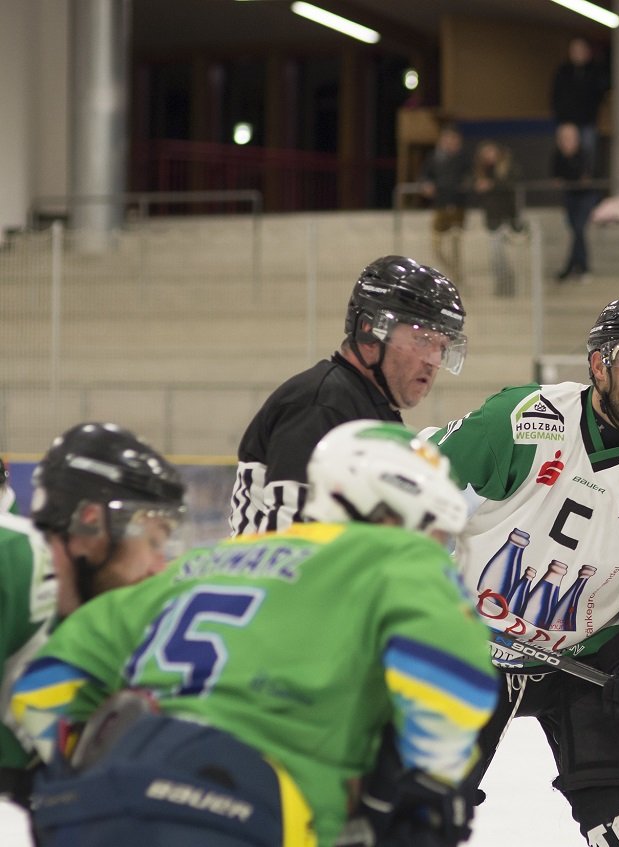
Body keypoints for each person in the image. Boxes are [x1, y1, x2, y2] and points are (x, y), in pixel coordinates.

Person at [11, 420, 499, 847]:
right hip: (241, 804)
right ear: (397, 512)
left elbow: (46, 681)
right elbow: (450, 667)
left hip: (90, 805)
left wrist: (82, 770)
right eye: (436, 531)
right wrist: (432, 788)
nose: (438, 546)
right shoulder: (395, 555)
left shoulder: (201, 564)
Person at [426, 299, 619, 847]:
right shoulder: (523, 420)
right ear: (599, 364)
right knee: (411, 814)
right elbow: (419, 483)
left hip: (583, 660)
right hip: (466, 648)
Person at [0, 422, 186, 808]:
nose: (157, 565)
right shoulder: (16, 557)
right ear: (90, 524)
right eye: (151, 540)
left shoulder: (111, 619)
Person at [229, 255, 466, 536]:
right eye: (422, 340)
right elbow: (290, 543)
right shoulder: (321, 403)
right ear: (369, 329)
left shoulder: (372, 412)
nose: (434, 360)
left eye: (442, 346)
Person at [551, 36, 610, 177]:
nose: (577, 53)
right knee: (565, 155)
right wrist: (562, 119)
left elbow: (599, 95)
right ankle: (567, 186)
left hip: (587, 121)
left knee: (589, 154)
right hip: (566, 120)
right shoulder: (563, 71)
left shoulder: (595, 71)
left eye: (581, 49)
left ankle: (588, 183)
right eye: (574, 50)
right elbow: (555, 96)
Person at [471, 139, 523, 297]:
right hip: (491, 218)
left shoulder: (507, 168)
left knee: (502, 255)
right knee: (496, 257)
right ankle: (502, 286)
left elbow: (511, 185)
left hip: (506, 218)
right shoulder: (481, 171)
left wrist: (492, 185)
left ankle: (509, 286)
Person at [421, 125, 468, 280]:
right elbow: (424, 176)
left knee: (456, 240)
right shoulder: (434, 158)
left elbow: (471, 176)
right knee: (437, 245)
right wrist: (427, 185)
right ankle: (451, 269)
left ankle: (457, 272)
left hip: (458, 205)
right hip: (440, 204)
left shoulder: (463, 158)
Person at [551, 122, 596, 282]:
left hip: (585, 197)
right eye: (563, 138)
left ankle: (577, 267)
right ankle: (575, 267)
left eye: (569, 138)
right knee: (575, 232)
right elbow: (557, 177)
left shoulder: (585, 154)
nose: (566, 142)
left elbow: (586, 178)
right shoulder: (559, 155)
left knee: (578, 229)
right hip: (570, 196)